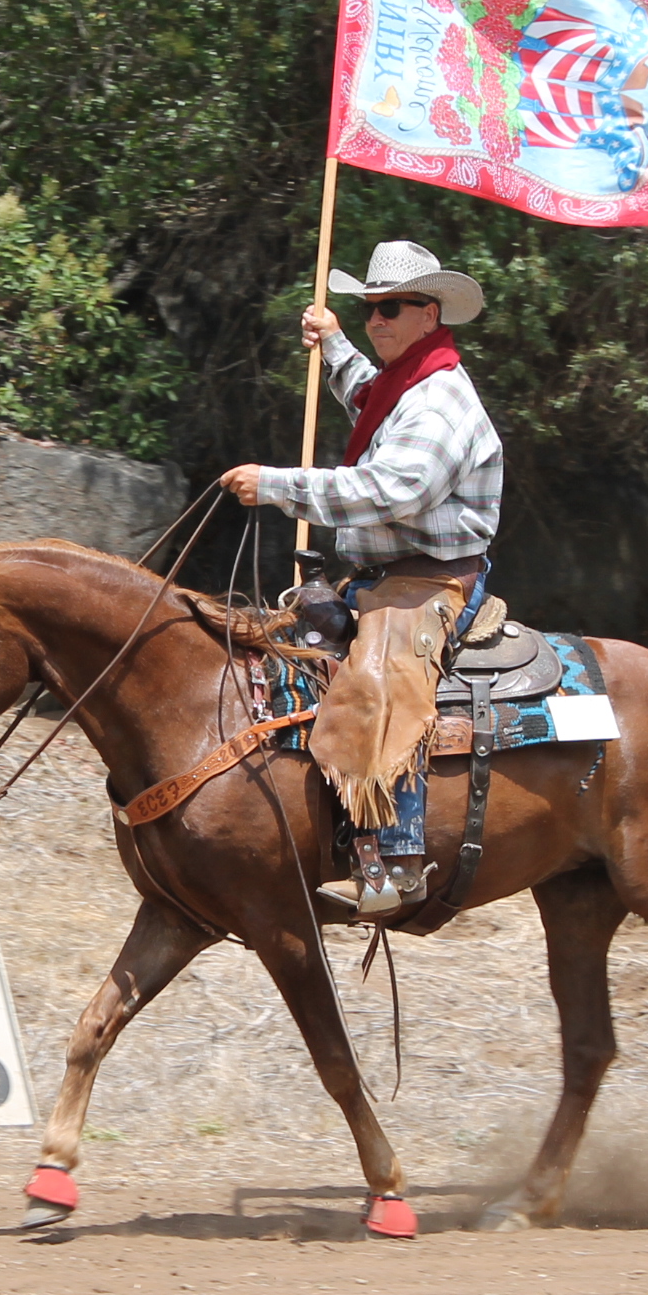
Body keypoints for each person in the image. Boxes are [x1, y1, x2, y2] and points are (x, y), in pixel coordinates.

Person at [218, 238, 503, 919]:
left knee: (380, 678)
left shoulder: (439, 403)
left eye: (393, 307)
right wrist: (335, 345)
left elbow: (390, 491)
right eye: (369, 307)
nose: (378, 318)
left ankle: (397, 864)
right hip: (383, 577)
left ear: (430, 313)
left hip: (431, 586)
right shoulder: (408, 382)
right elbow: (371, 400)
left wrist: (278, 485)